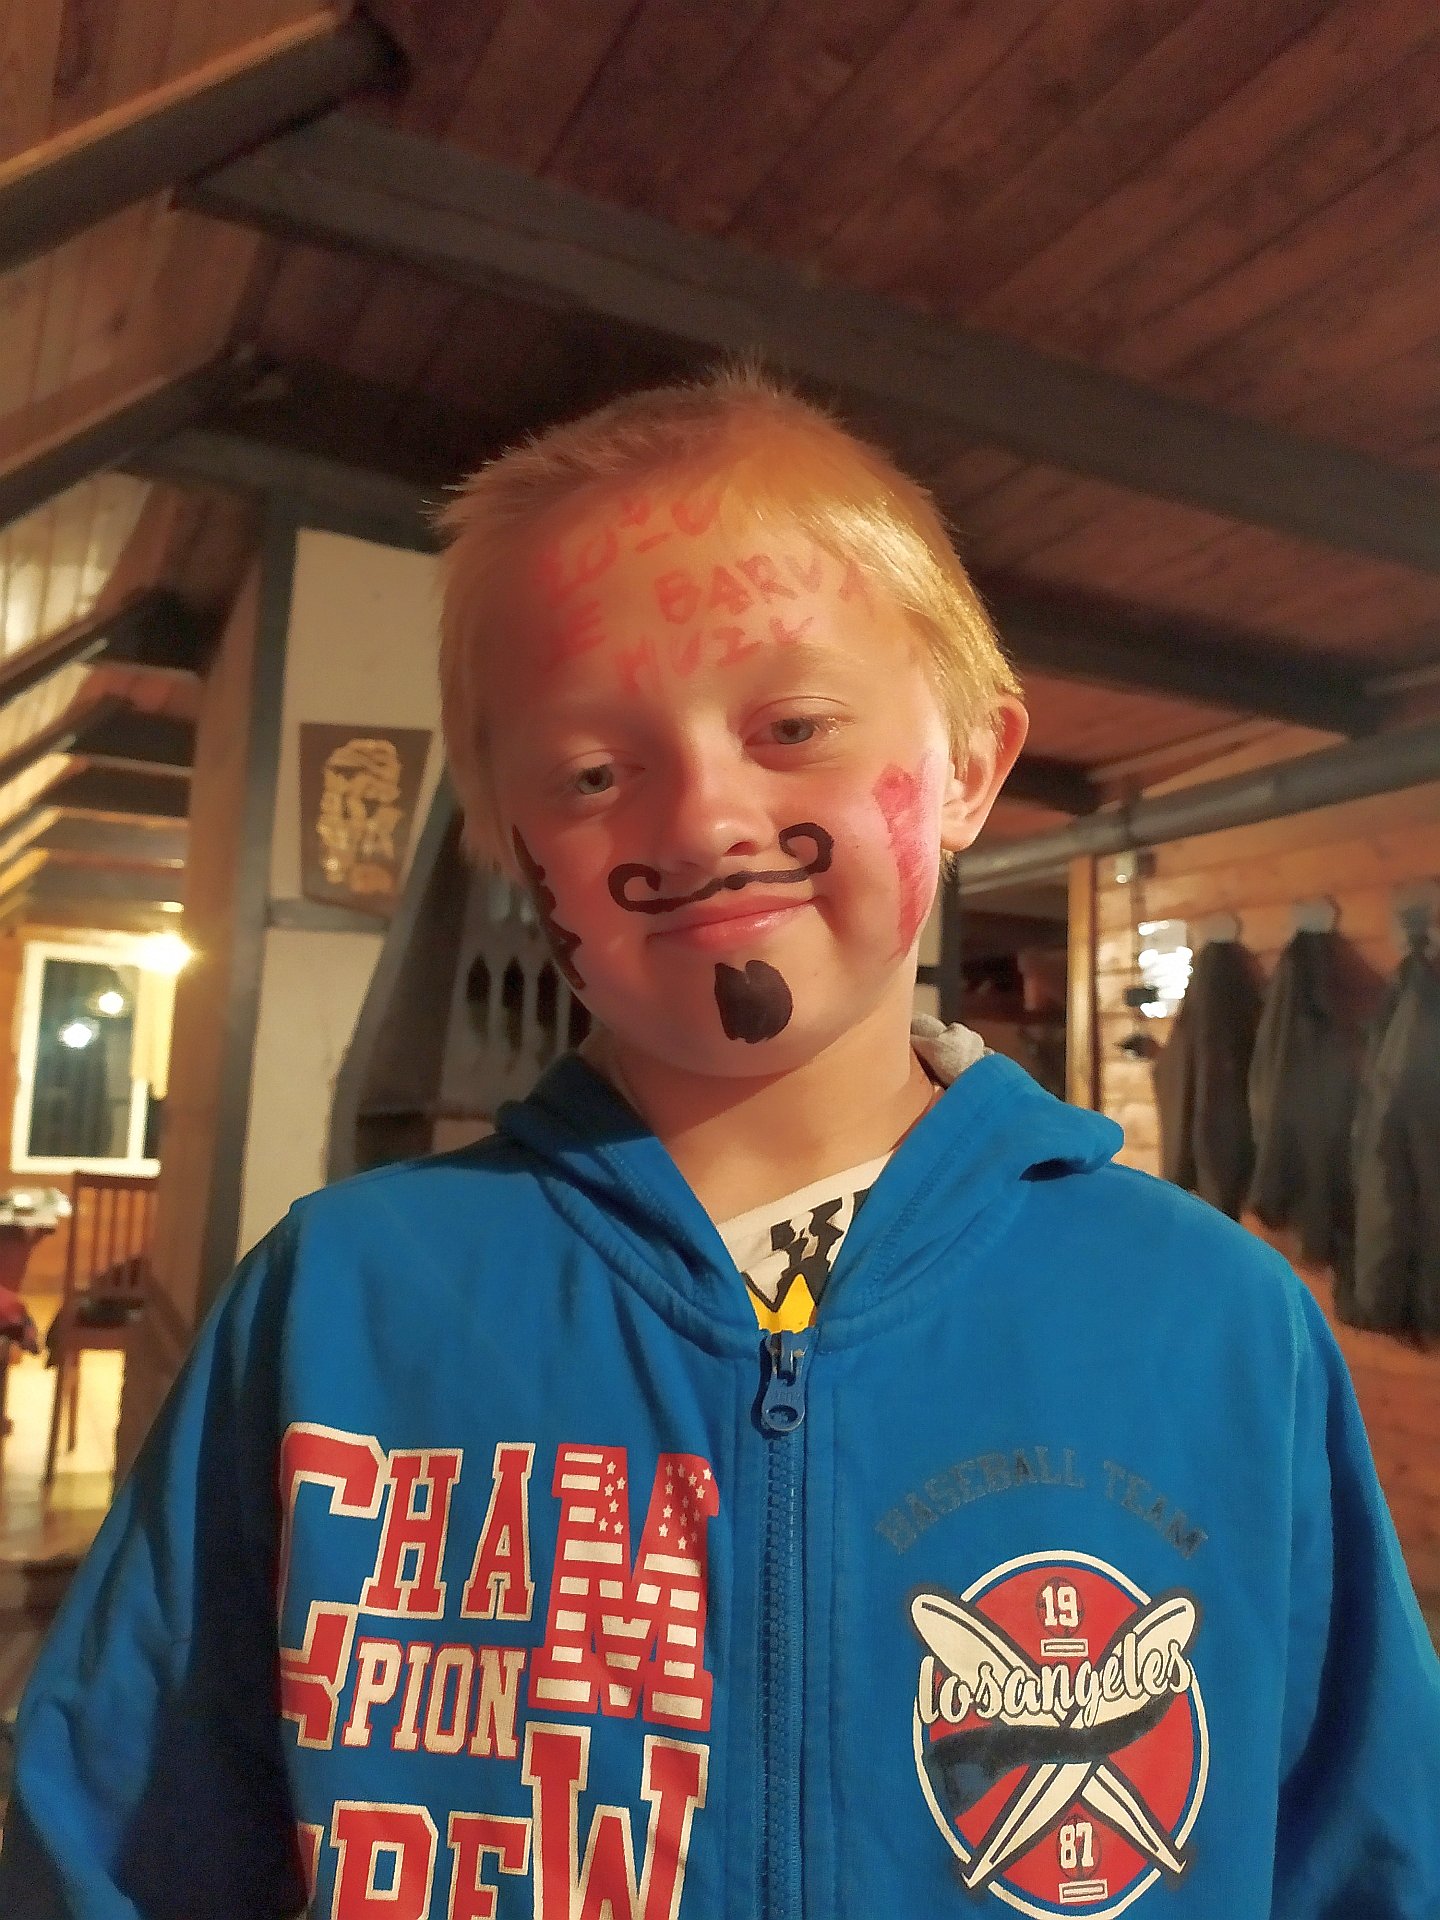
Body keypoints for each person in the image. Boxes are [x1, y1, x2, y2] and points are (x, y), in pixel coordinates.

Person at [3, 369, 1438, 1918]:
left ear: (969, 765)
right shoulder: (341, 1304)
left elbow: (1371, 1857)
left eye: (794, 725)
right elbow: (108, 1854)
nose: (699, 819)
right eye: (593, 773)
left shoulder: (1216, 1322)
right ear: (508, 837)